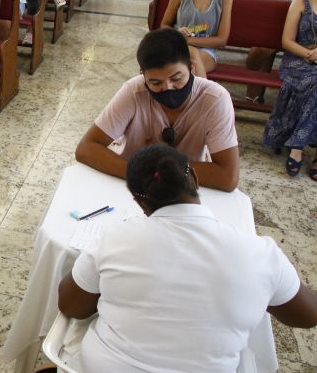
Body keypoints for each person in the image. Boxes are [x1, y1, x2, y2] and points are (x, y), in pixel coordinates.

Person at [60, 143, 317, 371]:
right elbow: (308, 316)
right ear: (194, 178)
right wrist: (258, 291)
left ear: (139, 202)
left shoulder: (114, 238)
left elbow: (71, 307)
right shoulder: (260, 253)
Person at [76, 28, 239, 191]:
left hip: (187, 186)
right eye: (156, 83)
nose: (168, 88)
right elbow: (86, 148)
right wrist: (137, 173)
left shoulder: (214, 99)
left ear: (192, 68)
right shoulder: (135, 91)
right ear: (143, 76)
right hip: (136, 185)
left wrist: (158, 170)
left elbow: (228, 177)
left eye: (176, 78)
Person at [244, 0, 317, 103]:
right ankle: (253, 95)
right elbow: (261, 5)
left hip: (308, 32)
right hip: (276, 27)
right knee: (261, 50)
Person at [262, 0, 317, 179]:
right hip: (298, 59)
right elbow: (287, 40)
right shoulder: (302, 0)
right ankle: (298, 146)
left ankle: (297, 145)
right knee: (314, 81)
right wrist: (310, 54)